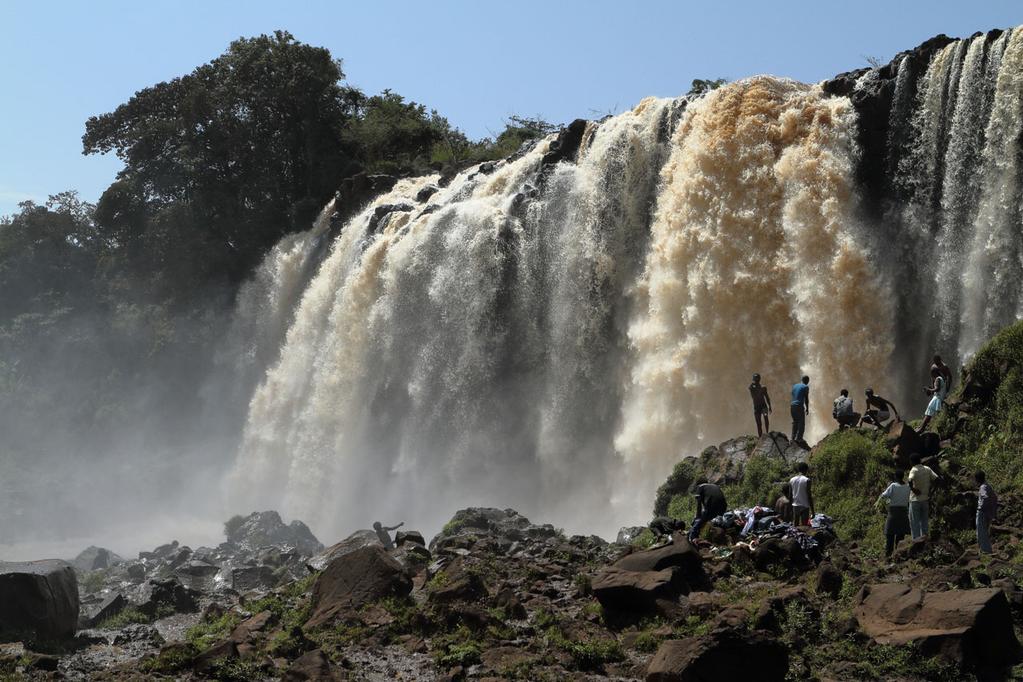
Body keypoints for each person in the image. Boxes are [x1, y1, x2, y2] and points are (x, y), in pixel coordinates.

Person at [877, 469, 911, 558]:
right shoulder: (908, 486)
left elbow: (883, 496)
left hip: (893, 512)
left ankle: (888, 555)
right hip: (904, 512)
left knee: (890, 534)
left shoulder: (893, 486)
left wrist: (888, 500)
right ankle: (898, 554)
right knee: (901, 534)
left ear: (895, 477)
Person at [907, 453, 938, 540]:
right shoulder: (927, 469)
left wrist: (913, 489)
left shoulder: (914, 470)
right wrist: (931, 492)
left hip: (915, 500)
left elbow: (909, 480)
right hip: (925, 499)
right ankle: (925, 539)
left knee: (914, 523)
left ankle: (916, 541)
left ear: (912, 462)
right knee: (924, 521)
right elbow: (937, 479)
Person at [976, 470, 998, 555]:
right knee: (984, 532)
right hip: (988, 513)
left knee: (981, 533)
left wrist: (981, 508)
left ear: (977, 479)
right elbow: (995, 498)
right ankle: (984, 551)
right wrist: (991, 510)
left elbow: (985, 497)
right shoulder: (988, 485)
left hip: (982, 513)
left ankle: (986, 552)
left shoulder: (982, 487)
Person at [920, 367, 947, 432]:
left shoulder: (938, 379)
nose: (931, 375)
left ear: (934, 373)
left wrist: (929, 389)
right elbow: (937, 390)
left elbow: (937, 389)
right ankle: (922, 427)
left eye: (931, 373)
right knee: (931, 413)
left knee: (929, 412)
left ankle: (922, 428)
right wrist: (929, 390)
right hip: (938, 397)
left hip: (937, 398)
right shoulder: (940, 378)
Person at [790, 375, 810, 445]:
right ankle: (799, 438)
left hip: (792, 405)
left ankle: (792, 438)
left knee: (795, 422)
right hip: (799, 406)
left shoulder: (795, 386)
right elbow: (806, 398)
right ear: (807, 381)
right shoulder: (805, 387)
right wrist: (807, 408)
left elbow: (792, 394)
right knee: (801, 423)